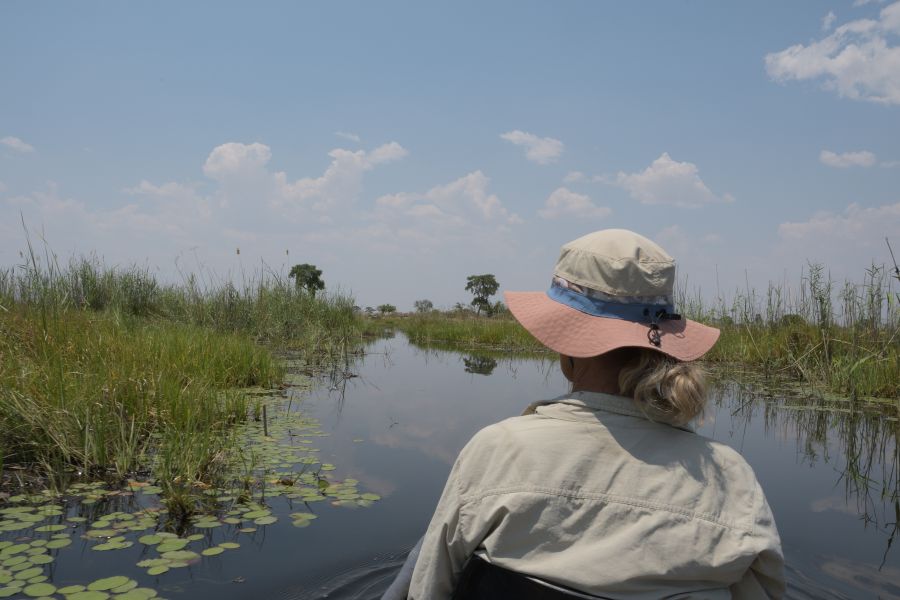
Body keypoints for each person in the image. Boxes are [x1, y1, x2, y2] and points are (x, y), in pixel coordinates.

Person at [405, 229, 785, 599]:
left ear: (568, 348)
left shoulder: (497, 449)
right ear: (666, 343)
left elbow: (426, 586)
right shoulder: (731, 478)